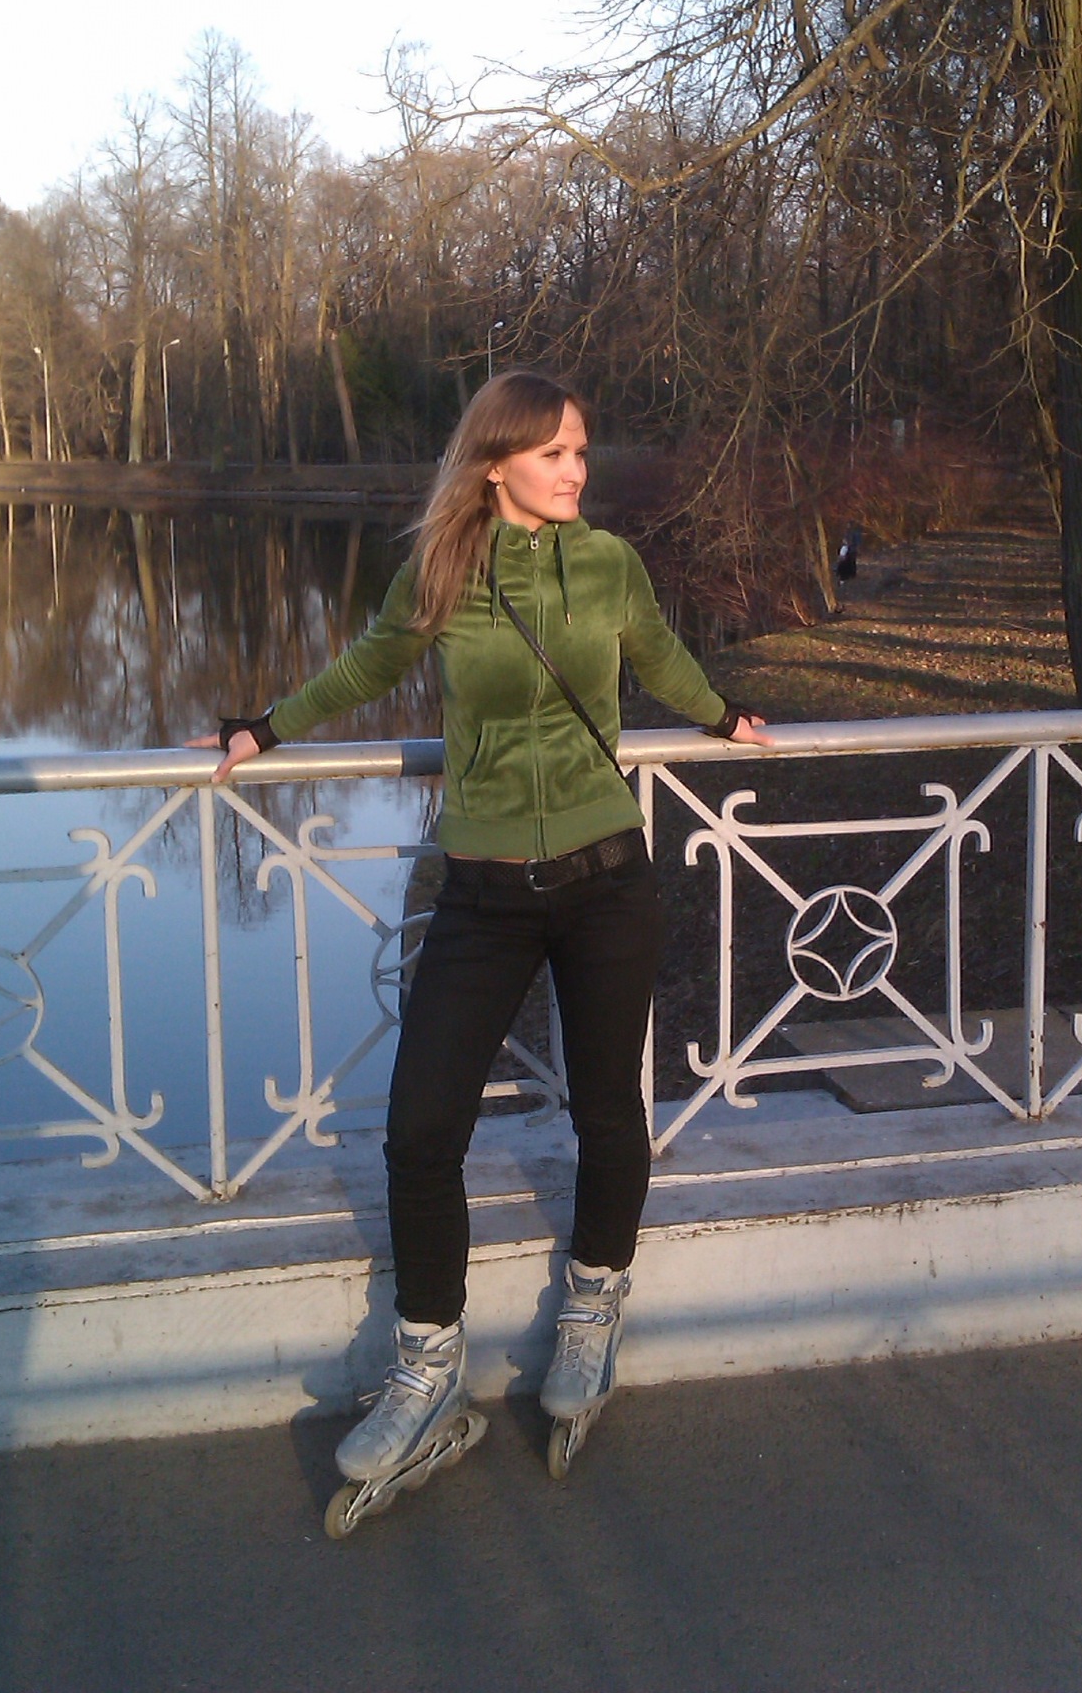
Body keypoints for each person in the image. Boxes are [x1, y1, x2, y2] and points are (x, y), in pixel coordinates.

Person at [195, 370, 770, 1534]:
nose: (575, 470)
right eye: (555, 452)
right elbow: (368, 664)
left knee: (606, 1108)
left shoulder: (608, 564)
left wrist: (721, 715)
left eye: (581, 451)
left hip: (607, 879)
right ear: (496, 460)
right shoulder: (444, 569)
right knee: (419, 1126)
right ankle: (426, 1362)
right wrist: (265, 726)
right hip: (482, 889)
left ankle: (593, 1305)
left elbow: (658, 655)